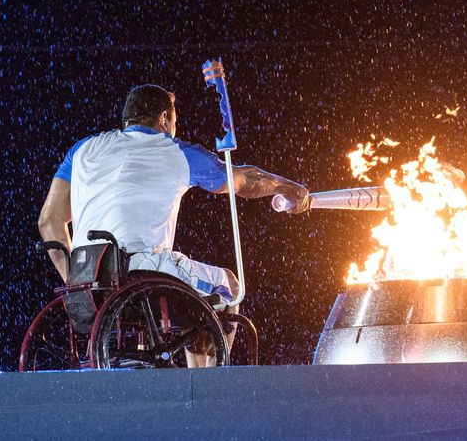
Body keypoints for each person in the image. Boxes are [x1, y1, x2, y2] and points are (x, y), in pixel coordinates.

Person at [37, 83, 310, 366]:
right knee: (229, 286)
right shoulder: (176, 151)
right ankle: (209, 382)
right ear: (165, 118)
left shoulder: (82, 150)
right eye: (175, 121)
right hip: (142, 272)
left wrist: (74, 280)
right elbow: (245, 180)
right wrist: (289, 188)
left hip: (88, 278)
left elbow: (49, 221)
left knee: (192, 286)